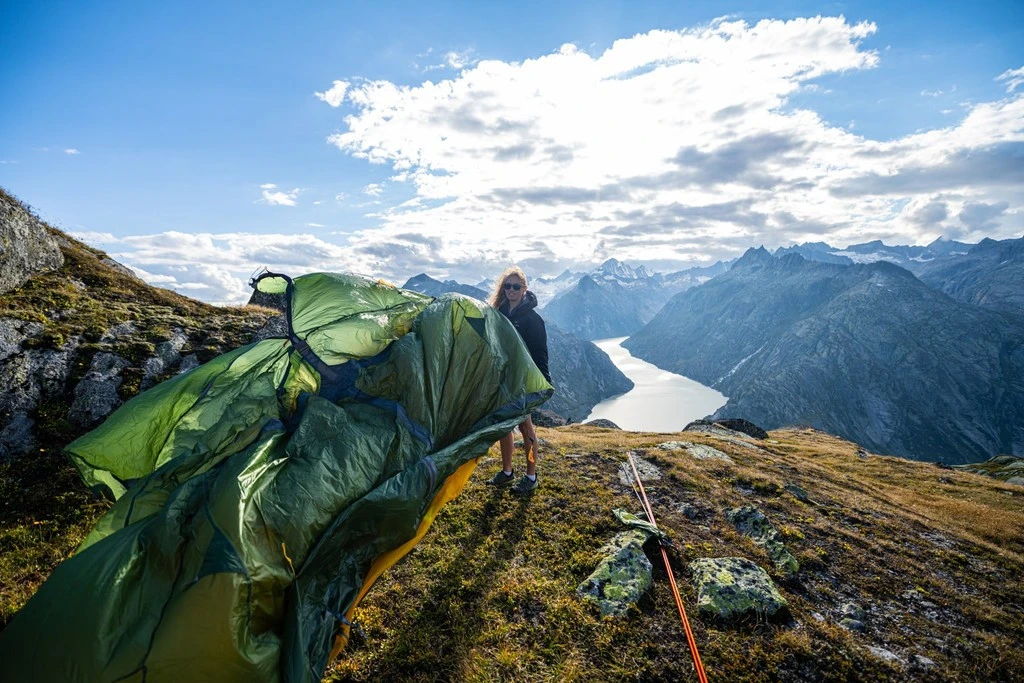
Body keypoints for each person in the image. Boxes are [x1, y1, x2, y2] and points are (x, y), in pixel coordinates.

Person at [487, 266, 550, 494]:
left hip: (524, 381)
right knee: (505, 424)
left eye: (516, 286)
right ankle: (507, 472)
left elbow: (540, 354)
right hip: (503, 379)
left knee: (525, 426)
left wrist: (542, 382)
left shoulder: (533, 320)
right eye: (507, 286)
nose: (511, 290)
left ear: (525, 289)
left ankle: (531, 476)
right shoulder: (499, 313)